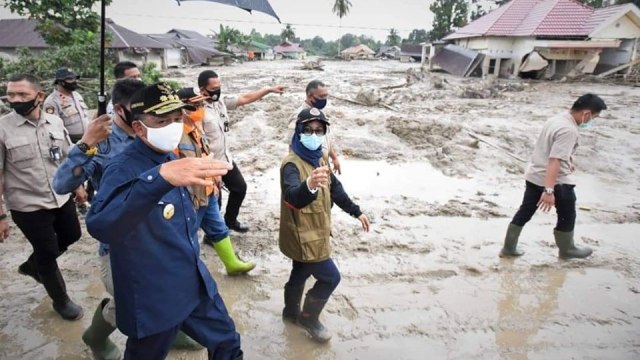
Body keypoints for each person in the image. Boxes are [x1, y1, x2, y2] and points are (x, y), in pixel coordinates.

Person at [86, 83, 243, 360]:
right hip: (153, 292)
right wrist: (159, 179)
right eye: (161, 121)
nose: (172, 127)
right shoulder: (122, 169)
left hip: (192, 279)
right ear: (138, 128)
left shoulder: (170, 154)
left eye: (176, 119)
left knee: (228, 343)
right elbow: (100, 225)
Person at [54, 79, 203, 359]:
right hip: (124, 245)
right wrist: (86, 143)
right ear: (124, 111)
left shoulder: (163, 132)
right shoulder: (105, 144)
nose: (167, 123)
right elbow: (61, 184)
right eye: (156, 116)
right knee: (131, 301)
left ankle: (172, 327)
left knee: (178, 288)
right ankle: (95, 337)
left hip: (165, 235)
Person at [0, 73, 87, 320]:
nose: (15, 99)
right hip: (27, 205)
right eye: (11, 94)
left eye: (22, 94)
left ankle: (32, 265)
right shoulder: (3, 129)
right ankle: (61, 301)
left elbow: (69, 158)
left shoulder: (55, 122)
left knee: (72, 235)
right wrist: (0, 215)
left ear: (38, 96)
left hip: (60, 197)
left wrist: (77, 186)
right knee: (47, 251)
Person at [279, 107, 370, 343]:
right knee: (330, 278)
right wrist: (308, 185)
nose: (314, 135)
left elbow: (334, 188)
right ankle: (309, 318)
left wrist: (355, 211)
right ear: (299, 132)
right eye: (308, 130)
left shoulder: (319, 156)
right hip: (303, 235)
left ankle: (290, 313)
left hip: (313, 232)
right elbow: (291, 196)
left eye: (319, 131)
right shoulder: (292, 164)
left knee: (299, 272)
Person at [500, 93, 607, 260]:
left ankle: (508, 248)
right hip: (557, 181)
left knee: (525, 211)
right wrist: (549, 190)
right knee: (567, 214)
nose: (592, 121)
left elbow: (550, 149)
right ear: (586, 114)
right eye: (594, 117)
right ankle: (567, 249)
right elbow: (555, 160)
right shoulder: (569, 130)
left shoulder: (557, 119)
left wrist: (568, 160)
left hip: (535, 174)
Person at [176, 87, 255, 274]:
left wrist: (216, 176)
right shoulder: (175, 134)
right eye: (196, 104)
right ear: (182, 106)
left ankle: (232, 264)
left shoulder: (197, 126)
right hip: (191, 196)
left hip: (208, 189)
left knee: (218, 228)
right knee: (187, 235)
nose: (200, 107)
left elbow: (206, 154)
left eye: (201, 103)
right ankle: (185, 273)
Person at [198, 69, 285, 233]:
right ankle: (213, 235)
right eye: (213, 88)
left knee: (239, 188)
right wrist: (210, 171)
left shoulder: (221, 102)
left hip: (225, 159)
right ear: (202, 89)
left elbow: (245, 98)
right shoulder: (197, 109)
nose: (217, 90)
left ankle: (230, 221)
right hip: (209, 164)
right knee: (215, 200)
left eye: (219, 86)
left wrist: (267, 90)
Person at [287, 80, 341, 174]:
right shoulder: (298, 117)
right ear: (310, 96)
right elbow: (292, 146)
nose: (324, 99)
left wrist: (334, 158)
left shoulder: (319, 113)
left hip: (322, 164)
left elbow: (325, 139)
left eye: (326, 96)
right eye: (321, 96)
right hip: (309, 168)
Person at [43, 68, 89, 143]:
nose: (74, 81)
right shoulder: (52, 101)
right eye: (70, 79)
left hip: (87, 138)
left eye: (75, 78)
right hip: (70, 141)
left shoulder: (76, 95)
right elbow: (53, 127)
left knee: (93, 154)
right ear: (61, 82)